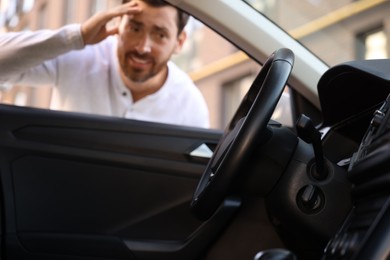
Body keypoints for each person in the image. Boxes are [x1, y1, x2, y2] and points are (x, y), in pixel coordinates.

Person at [0, 0, 210, 128]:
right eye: (135, 28)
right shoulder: (80, 55)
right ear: (118, 23)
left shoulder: (190, 104)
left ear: (179, 42)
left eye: (160, 35)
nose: (142, 47)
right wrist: (77, 36)